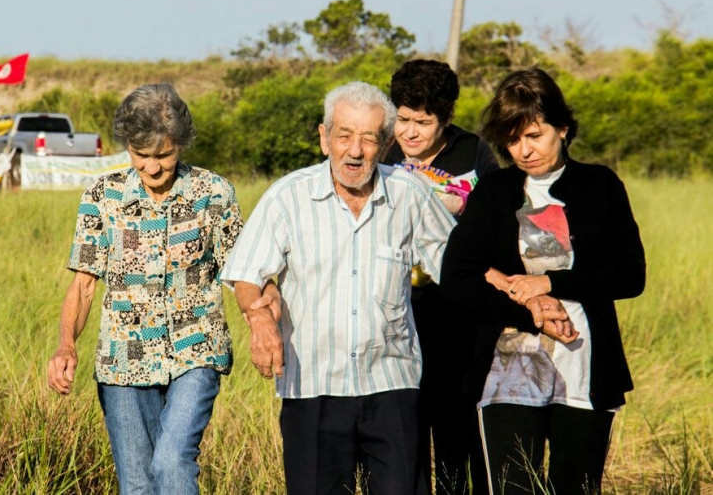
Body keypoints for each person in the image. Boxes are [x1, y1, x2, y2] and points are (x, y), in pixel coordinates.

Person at [221, 81, 457, 495]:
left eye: (368, 138)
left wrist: (524, 289)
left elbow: (458, 268)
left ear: (385, 145)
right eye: (344, 135)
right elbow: (247, 274)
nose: (355, 150)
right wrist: (259, 319)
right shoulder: (288, 197)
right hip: (312, 386)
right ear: (324, 137)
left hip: (392, 381)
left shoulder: (410, 194)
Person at [438, 68, 646, 495]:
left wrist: (549, 283)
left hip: (584, 368)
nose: (524, 150)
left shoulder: (600, 185)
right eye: (513, 140)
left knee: (577, 487)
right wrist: (528, 312)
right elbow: (457, 275)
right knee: (513, 487)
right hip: (506, 371)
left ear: (563, 128)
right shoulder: (495, 191)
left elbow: (630, 274)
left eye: (535, 135)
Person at [46, 83, 247, 495]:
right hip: (123, 358)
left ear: (182, 145)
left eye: (163, 156)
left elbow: (241, 274)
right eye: (141, 156)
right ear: (127, 147)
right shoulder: (102, 196)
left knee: (173, 461)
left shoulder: (213, 193)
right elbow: (83, 285)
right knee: (137, 484)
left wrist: (261, 322)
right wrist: (67, 344)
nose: (152, 168)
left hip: (196, 348)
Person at [383, 59, 499, 494]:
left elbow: (499, 217)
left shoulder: (474, 152)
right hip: (397, 314)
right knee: (405, 431)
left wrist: (459, 205)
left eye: (423, 122)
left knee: (459, 426)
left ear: (447, 118)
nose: (410, 132)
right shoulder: (382, 153)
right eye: (403, 119)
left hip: (460, 314)